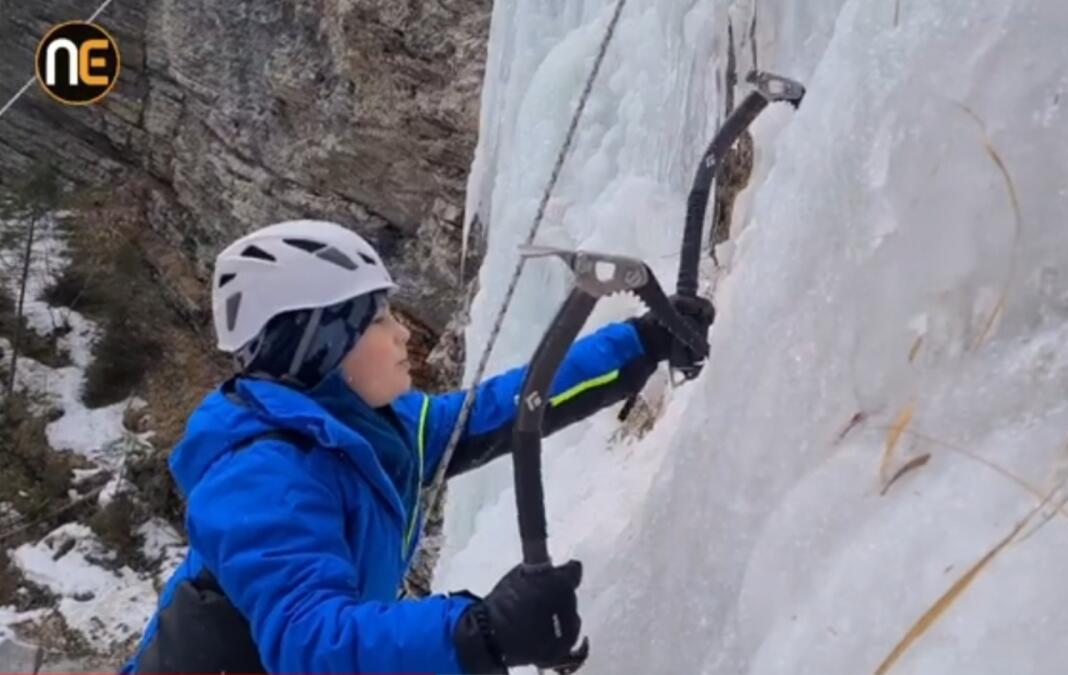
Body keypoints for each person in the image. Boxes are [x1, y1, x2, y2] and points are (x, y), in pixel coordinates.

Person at [121, 219, 715, 674]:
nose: (403, 333)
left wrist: (639, 344)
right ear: (323, 346)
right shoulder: (260, 475)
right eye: (378, 319)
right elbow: (310, 641)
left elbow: (499, 411)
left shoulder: (375, 428)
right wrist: (481, 631)